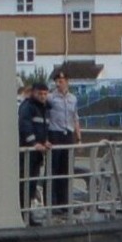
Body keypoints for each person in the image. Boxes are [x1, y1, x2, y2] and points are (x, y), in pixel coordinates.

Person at [47, 69, 81, 213]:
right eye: (57, 81)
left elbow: (76, 118)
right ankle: (52, 203)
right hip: (55, 133)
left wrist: (78, 138)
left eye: (61, 81)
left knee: (66, 170)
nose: (59, 83)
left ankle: (64, 202)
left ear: (67, 82)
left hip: (68, 134)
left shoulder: (72, 98)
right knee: (54, 169)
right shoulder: (50, 98)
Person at [18, 78, 51, 222]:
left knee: (32, 182)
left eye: (45, 94)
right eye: (40, 93)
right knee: (26, 182)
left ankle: (28, 211)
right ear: (34, 93)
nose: (43, 96)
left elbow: (43, 127)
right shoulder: (28, 107)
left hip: (37, 153)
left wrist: (45, 141)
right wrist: (34, 143)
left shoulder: (44, 108)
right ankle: (23, 213)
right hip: (28, 152)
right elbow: (25, 125)